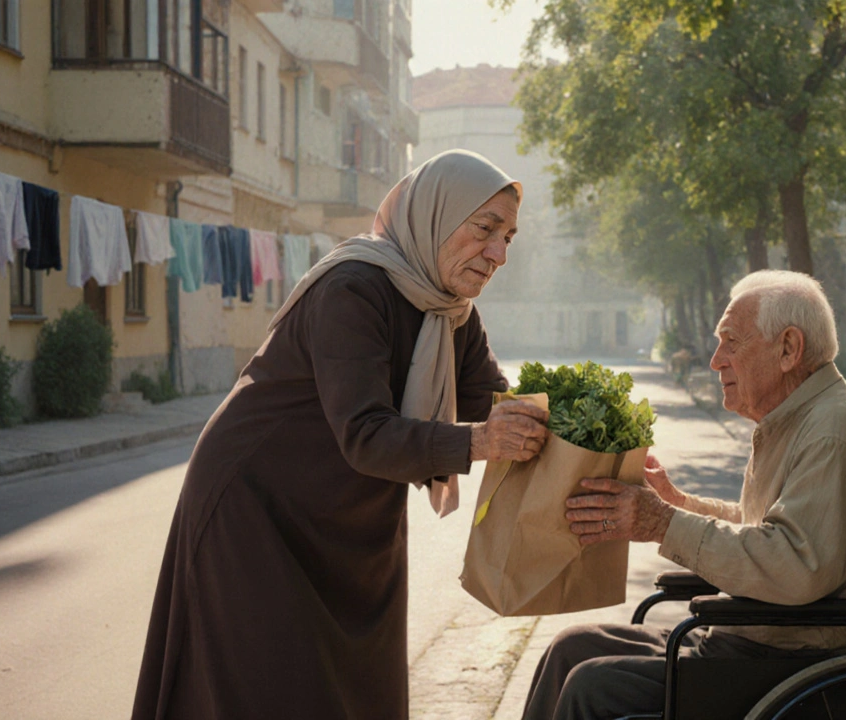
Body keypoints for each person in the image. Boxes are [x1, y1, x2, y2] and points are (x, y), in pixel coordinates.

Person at [131, 150, 550, 720]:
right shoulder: (354, 287)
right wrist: (480, 441)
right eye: (485, 230)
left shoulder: (452, 311)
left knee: (360, 691)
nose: (499, 254)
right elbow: (366, 434)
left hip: (350, 520)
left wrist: (583, 438)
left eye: (509, 237)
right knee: (266, 690)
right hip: (257, 508)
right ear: (435, 215)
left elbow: (498, 405)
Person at [521, 270, 846, 720]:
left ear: (788, 348)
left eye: (731, 342)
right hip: (756, 642)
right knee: (571, 647)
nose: (715, 360)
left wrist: (661, 523)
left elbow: (794, 564)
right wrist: (676, 505)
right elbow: (765, 526)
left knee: (592, 686)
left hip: (793, 666)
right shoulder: (806, 418)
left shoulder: (837, 431)